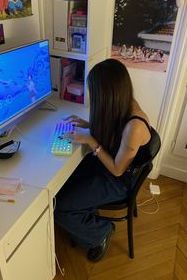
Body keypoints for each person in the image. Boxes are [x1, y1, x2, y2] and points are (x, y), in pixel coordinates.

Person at [54, 58, 152, 262]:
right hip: (110, 162)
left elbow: (117, 170)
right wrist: (87, 124)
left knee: (60, 207)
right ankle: (85, 211)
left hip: (118, 180)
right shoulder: (126, 104)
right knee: (60, 188)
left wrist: (90, 139)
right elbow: (116, 132)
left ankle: (101, 233)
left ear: (107, 95)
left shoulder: (135, 127)